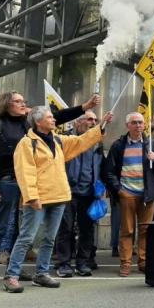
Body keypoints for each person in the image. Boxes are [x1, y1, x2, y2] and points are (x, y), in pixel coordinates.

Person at [0, 91, 100, 285]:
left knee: (22, 229)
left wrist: (84, 107)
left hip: (33, 181)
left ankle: (16, 269)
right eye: (18, 101)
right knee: (1, 227)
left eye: (24, 101)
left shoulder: (27, 123)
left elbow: (57, 117)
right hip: (8, 180)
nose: (23, 104)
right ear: (6, 104)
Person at [2, 106, 111, 293]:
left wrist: (100, 127)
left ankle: (41, 273)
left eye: (53, 117)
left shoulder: (59, 140)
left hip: (59, 196)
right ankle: (11, 275)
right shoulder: (27, 143)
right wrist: (32, 197)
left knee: (50, 239)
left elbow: (81, 141)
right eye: (50, 117)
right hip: (38, 199)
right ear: (38, 122)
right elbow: (24, 172)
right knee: (26, 238)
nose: (54, 120)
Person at [104, 112, 154, 277]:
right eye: (134, 123)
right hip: (126, 193)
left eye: (141, 123)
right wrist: (119, 190)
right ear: (127, 125)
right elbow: (109, 171)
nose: (138, 126)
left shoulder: (151, 145)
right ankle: (126, 263)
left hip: (147, 194)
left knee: (146, 230)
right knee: (127, 230)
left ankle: (143, 262)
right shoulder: (119, 145)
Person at [55, 111, 105, 278]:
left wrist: (100, 186)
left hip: (89, 192)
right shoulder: (65, 140)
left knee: (87, 229)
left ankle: (83, 262)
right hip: (67, 191)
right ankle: (64, 263)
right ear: (77, 123)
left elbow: (100, 166)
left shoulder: (97, 142)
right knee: (66, 228)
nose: (93, 122)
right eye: (89, 119)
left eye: (95, 120)